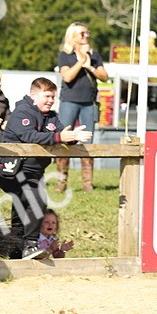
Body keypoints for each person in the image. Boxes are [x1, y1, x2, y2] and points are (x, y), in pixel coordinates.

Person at [0, 76, 91, 260]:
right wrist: (59, 138)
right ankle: (31, 244)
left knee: (23, 207)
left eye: (53, 97)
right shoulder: (22, 112)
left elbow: (61, 133)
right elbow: (29, 136)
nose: (50, 100)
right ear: (33, 95)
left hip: (34, 171)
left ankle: (16, 249)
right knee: (37, 201)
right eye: (46, 96)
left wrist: (72, 137)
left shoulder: (52, 117)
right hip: (12, 170)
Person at [55, 22, 108, 192]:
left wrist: (90, 65)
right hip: (69, 101)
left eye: (87, 33)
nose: (86, 36)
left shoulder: (94, 55)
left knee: (88, 141)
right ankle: (61, 182)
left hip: (89, 103)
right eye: (82, 34)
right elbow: (67, 77)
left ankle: (87, 183)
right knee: (65, 139)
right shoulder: (65, 55)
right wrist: (81, 62)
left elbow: (104, 77)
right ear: (73, 37)